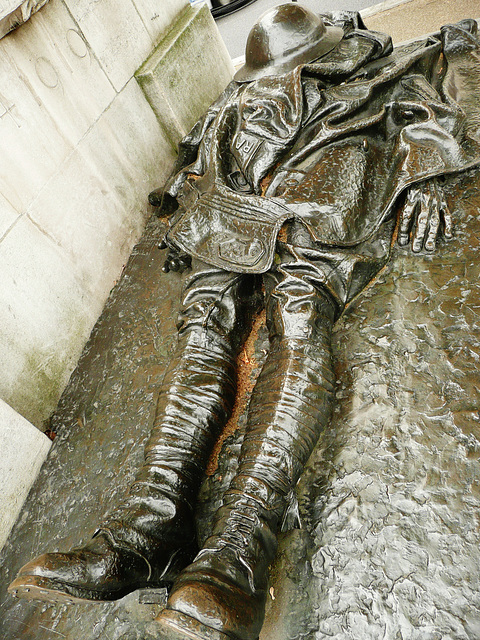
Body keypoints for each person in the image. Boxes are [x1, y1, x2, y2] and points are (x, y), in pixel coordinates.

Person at [9, 5, 480, 640]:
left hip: (318, 196)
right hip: (232, 204)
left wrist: (427, 176)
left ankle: (236, 554)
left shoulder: (370, 67)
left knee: (300, 316)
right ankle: (149, 528)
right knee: (204, 322)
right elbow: (203, 151)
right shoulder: (243, 93)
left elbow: (435, 101)